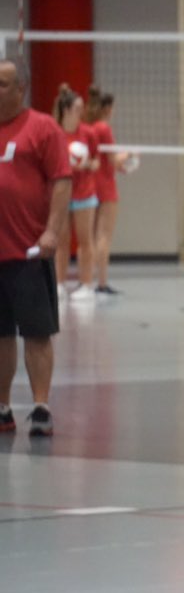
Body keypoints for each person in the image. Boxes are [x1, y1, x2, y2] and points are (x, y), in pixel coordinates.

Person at [0, 58, 71, 437]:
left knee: (37, 333)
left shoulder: (42, 128)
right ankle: (3, 407)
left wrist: (52, 232)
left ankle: (41, 407)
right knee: (0, 335)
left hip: (28, 252)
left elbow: (61, 181)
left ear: (21, 88)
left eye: (3, 84)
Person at [53, 84, 99, 303]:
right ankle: (59, 284)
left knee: (85, 240)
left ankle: (87, 285)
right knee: (60, 241)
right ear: (67, 110)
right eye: (78, 108)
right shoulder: (55, 133)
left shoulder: (88, 133)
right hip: (62, 193)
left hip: (84, 193)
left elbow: (97, 163)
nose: (82, 112)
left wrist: (86, 163)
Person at [86, 86, 129, 295]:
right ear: (107, 108)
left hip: (93, 184)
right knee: (104, 237)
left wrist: (119, 166)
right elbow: (112, 159)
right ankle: (101, 283)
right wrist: (128, 155)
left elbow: (103, 160)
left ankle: (91, 281)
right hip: (106, 187)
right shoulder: (104, 128)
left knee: (93, 237)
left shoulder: (90, 127)